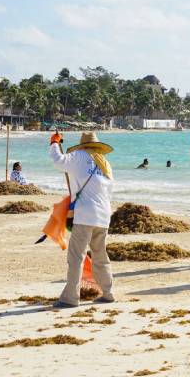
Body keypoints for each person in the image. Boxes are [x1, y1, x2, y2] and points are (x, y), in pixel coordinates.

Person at [49, 131, 115, 307]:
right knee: (100, 255)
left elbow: (58, 161)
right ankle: (108, 293)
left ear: (83, 145)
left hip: (85, 215)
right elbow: (109, 192)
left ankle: (70, 298)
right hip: (103, 215)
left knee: (76, 257)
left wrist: (54, 143)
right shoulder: (105, 163)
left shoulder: (78, 156)